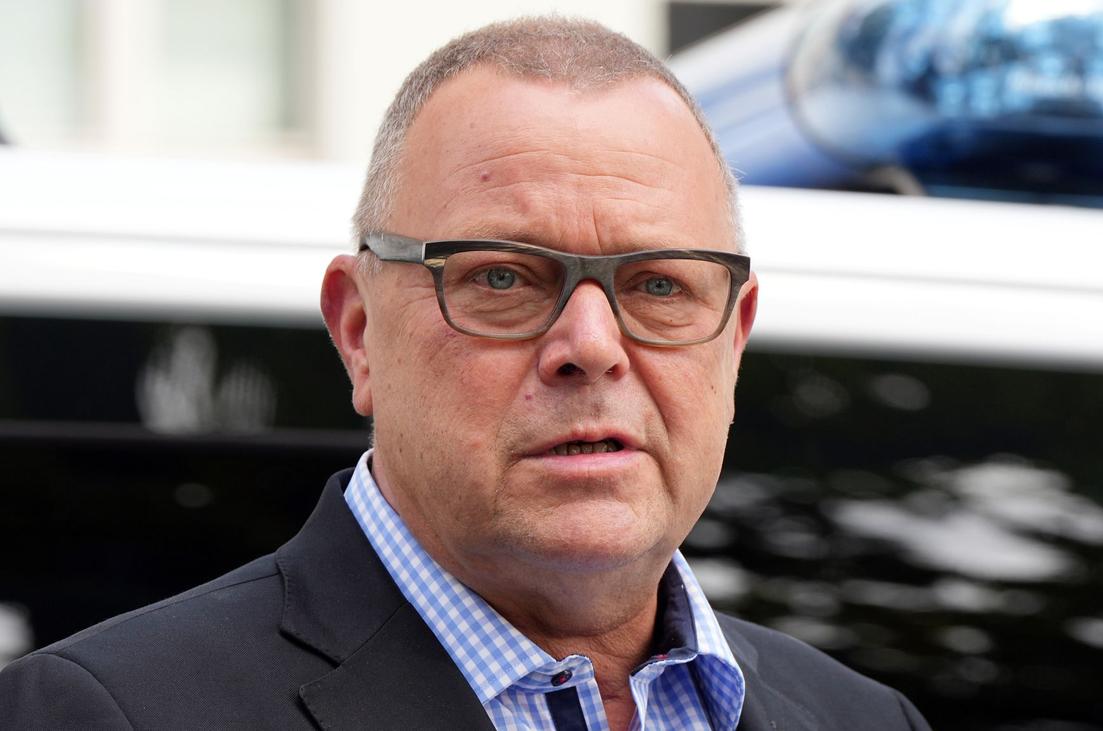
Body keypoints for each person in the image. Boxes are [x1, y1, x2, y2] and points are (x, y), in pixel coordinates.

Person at [0, 17, 930, 730]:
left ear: (734, 339)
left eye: (659, 285)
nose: (592, 344)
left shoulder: (865, 718)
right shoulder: (102, 713)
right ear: (359, 332)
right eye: (502, 278)